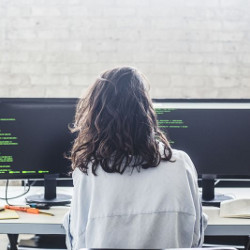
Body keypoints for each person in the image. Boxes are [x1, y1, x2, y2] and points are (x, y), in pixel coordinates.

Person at [63, 66, 207, 249]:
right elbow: (195, 239)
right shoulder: (180, 164)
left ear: (96, 116)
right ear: (146, 111)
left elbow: (78, 243)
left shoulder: (89, 171)